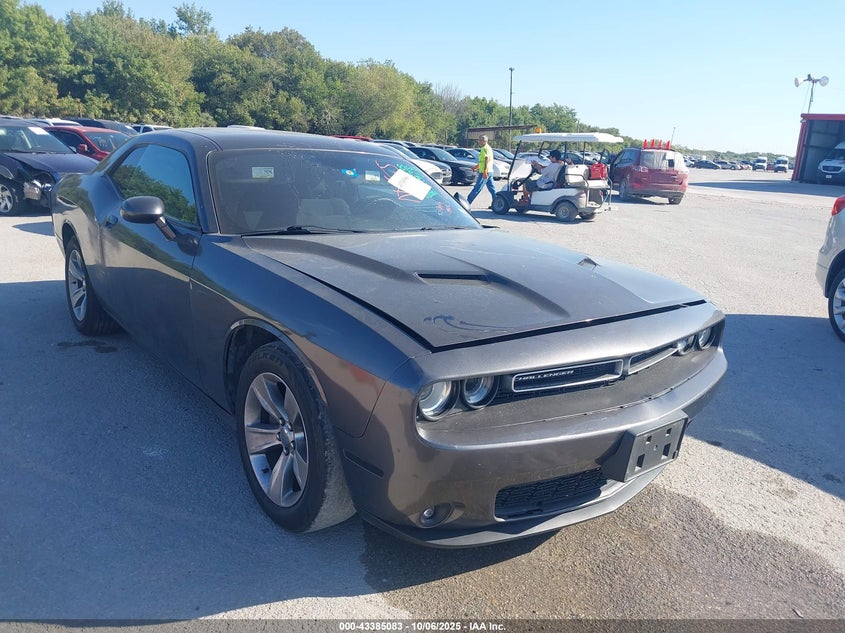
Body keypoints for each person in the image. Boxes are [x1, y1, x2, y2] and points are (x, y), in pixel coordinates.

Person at [466, 135, 497, 207]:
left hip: (485, 172)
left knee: (477, 188)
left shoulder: (485, 148)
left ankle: (467, 202)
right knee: (492, 189)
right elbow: (483, 160)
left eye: (480, 140)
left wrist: (485, 170)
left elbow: (487, 159)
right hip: (489, 171)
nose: (478, 142)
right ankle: (496, 203)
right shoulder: (488, 148)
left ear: (484, 141)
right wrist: (477, 166)